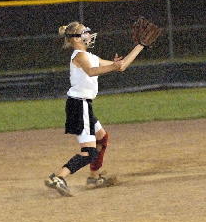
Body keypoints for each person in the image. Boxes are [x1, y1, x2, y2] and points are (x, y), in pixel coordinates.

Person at [45, 21, 147, 197]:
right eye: (84, 32)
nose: (88, 35)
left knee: (102, 138)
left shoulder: (90, 56)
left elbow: (121, 66)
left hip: (83, 105)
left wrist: (140, 46)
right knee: (89, 152)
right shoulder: (78, 55)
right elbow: (91, 71)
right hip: (79, 105)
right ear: (76, 39)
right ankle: (58, 177)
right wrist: (113, 66)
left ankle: (94, 177)